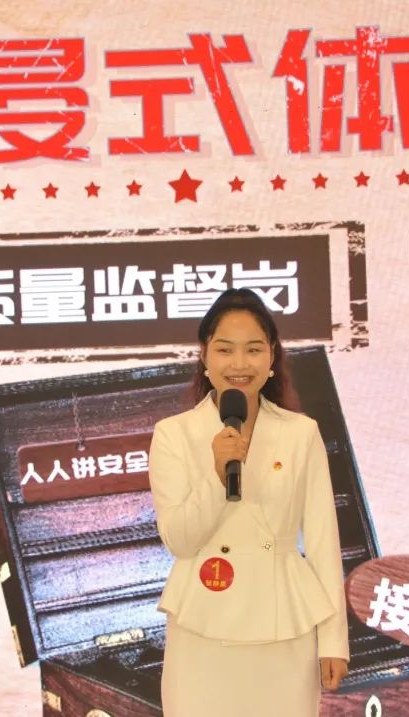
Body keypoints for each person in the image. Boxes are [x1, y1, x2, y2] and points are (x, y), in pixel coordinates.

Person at [148, 288, 349, 716]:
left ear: (272, 356)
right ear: (204, 356)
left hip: (284, 626)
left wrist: (333, 640)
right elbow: (179, 541)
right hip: (202, 625)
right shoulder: (174, 434)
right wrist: (217, 476)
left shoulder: (301, 433)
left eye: (254, 349)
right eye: (225, 350)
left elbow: (323, 542)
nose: (239, 364)